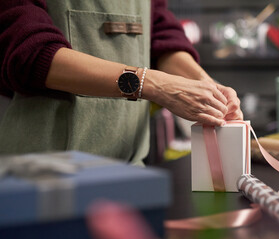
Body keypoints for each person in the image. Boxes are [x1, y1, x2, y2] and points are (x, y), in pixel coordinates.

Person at [0, 0, 243, 165]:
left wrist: (207, 85)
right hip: (43, 178)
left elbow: (158, 30)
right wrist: (156, 85)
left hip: (131, 169)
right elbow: (28, 53)